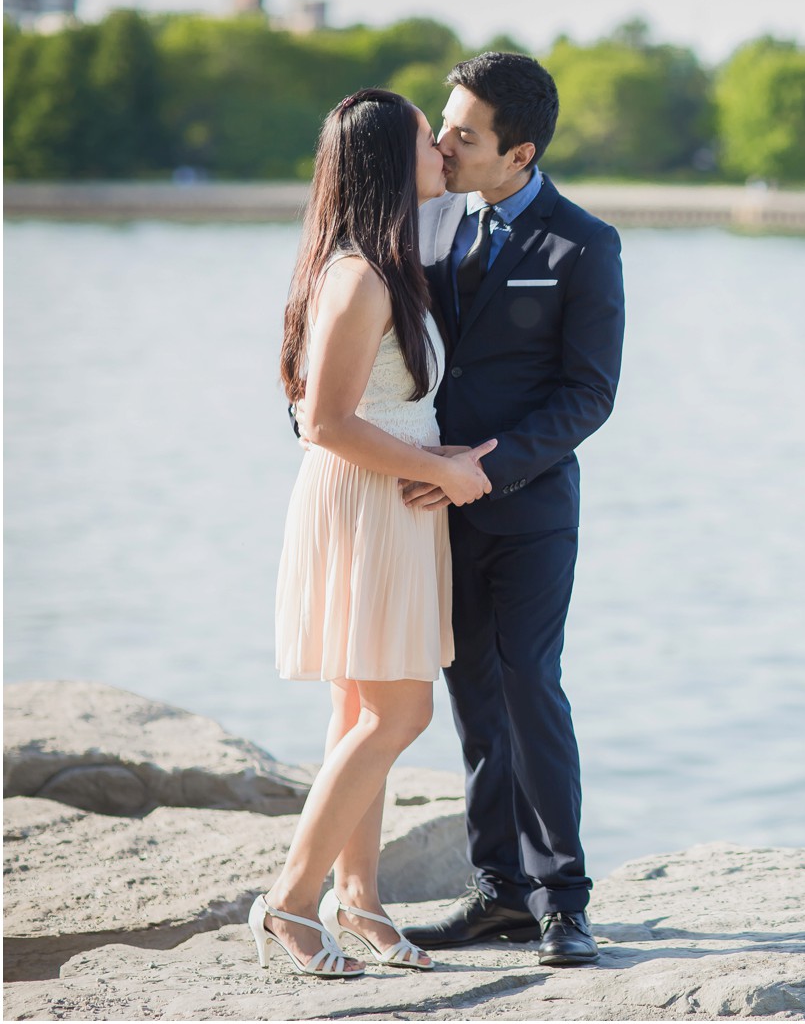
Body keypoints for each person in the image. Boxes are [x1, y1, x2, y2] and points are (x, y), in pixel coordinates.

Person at [256, 88, 499, 978]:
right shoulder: (359, 275)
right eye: (432, 143)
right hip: (369, 501)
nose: (445, 153)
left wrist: (443, 451)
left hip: (383, 496)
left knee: (361, 708)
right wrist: (442, 469)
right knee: (404, 708)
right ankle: (290, 898)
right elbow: (322, 420)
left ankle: (359, 901)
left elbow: (381, 407)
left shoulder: (376, 264)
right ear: (396, 167)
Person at [398, 52, 625, 968]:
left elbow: (589, 395)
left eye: (463, 132)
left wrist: (484, 469)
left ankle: (563, 899)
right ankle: (497, 892)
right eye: (446, 125)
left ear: (520, 152)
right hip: (430, 510)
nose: (444, 142)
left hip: (531, 511)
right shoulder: (435, 224)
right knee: (471, 697)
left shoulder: (584, 243)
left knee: (530, 685)